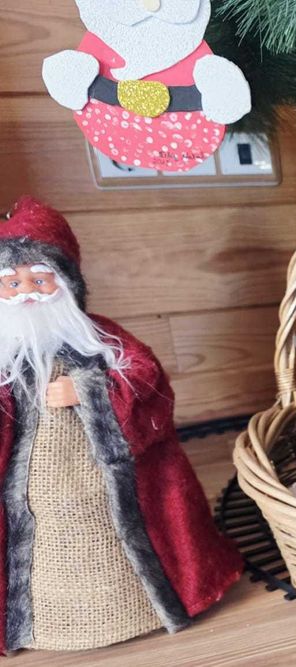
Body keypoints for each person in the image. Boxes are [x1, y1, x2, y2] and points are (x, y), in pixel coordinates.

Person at [0, 196, 242, 652]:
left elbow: (147, 380)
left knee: (114, 527)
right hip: (35, 496)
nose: (27, 291)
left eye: (39, 278)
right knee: (47, 542)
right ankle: (49, 621)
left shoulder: (100, 338)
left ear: (65, 282)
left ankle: (138, 606)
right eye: (12, 282)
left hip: (109, 479)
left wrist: (89, 389)